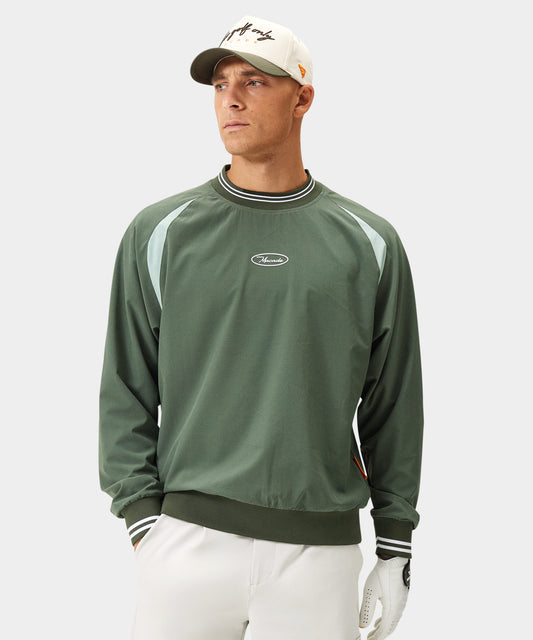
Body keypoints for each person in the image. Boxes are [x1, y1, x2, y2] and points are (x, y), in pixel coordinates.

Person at [99, 15, 424, 640]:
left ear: (302, 99)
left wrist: (394, 545)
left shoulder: (369, 242)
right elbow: (125, 384)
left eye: (254, 81)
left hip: (319, 556)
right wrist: (143, 519)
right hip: (186, 544)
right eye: (220, 85)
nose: (232, 100)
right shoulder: (161, 232)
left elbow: (394, 402)